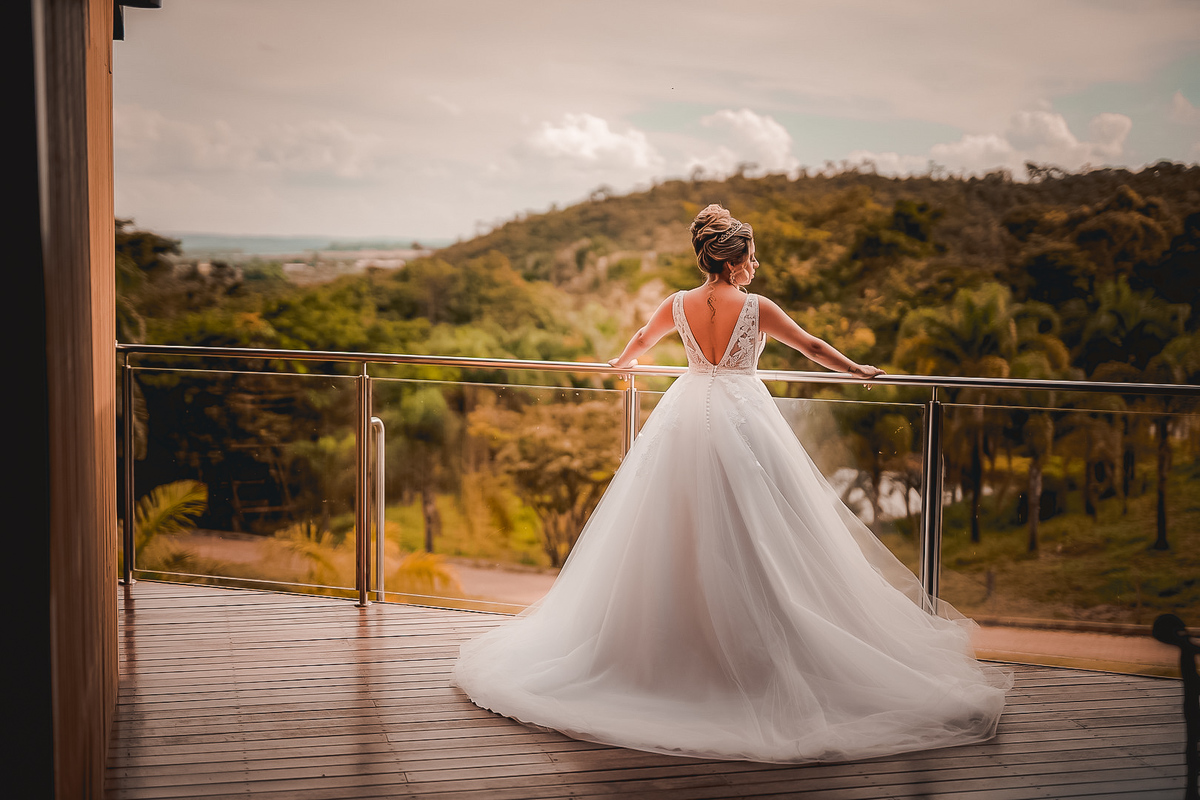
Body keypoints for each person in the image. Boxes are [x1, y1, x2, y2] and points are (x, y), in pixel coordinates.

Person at [452, 204, 1010, 764]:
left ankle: (668, 650)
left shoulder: (677, 304)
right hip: (744, 414)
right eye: (751, 255)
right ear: (735, 259)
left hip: (687, 412)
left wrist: (620, 363)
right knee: (765, 522)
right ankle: (757, 644)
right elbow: (811, 347)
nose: (755, 264)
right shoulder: (757, 307)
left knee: (674, 522)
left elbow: (643, 339)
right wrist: (857, 371)